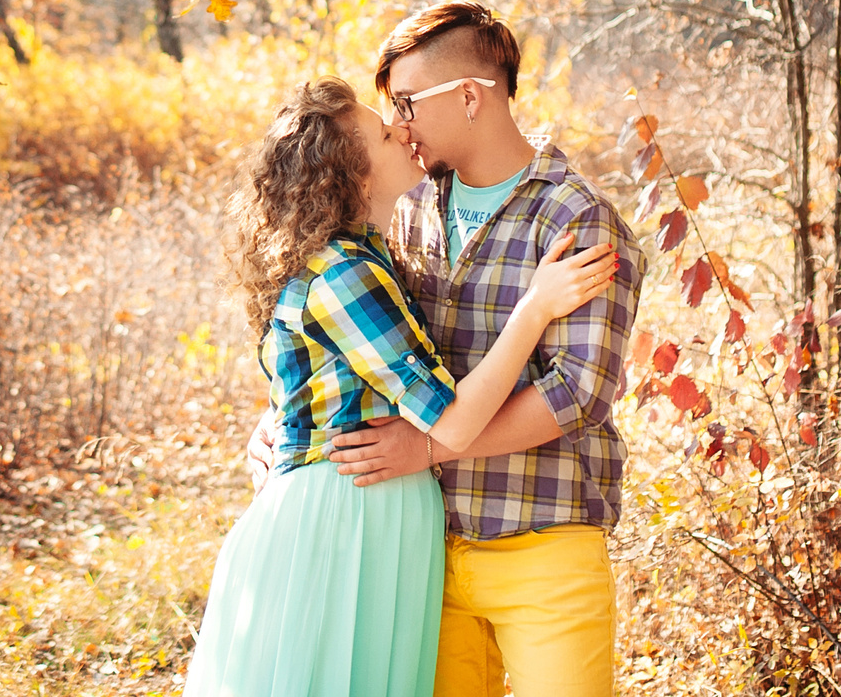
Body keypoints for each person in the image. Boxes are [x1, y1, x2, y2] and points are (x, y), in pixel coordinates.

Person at [185, 77, 621, 697]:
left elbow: (330, 376)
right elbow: (453, 423)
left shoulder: (372, 253)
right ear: (354, 177)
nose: (404, 131)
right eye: (388, 133)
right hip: (345, 518)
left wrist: (282, 419)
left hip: (375, 517)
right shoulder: (347, 269)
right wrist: (536, 308)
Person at [325, 1, 644, 697]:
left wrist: (428, 447)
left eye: (406, 103)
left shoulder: (575, 216)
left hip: (543, 546)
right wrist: (279, 425)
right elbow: (350, 336)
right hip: (421, 553)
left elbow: (576, 392)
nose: (397, 125)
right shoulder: (405, 206)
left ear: (471, 95)